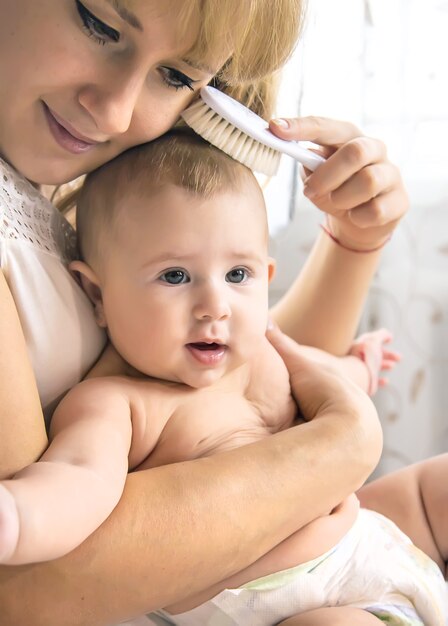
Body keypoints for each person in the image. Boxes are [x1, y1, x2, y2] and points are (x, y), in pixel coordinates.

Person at [0, 1, 413, 624]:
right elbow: (28, 589)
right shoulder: (111, 405)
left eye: (176, 77)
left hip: (349, 547)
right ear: (95, 294)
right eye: (99, 23)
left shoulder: (57, 191)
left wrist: (353, 243)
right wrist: (342, 445)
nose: (115, 111)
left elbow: (245, 389)